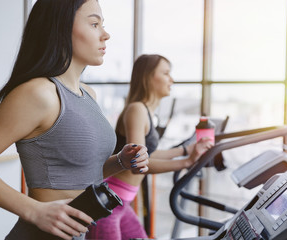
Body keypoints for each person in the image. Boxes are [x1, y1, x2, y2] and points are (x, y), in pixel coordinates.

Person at [0, 0, 149, 240]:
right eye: (94, 24)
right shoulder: (39, 93)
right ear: (61, 27)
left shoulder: (88, 94)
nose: (105, 35)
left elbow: (80, 171)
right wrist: (34, 210)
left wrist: (120, 161)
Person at [86, 54, 214, 240]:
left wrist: (185, 150)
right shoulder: (137, 109)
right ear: (148, 77)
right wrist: (186, 162)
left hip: (121, 204)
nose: (172, 79)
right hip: (108, 205)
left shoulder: (144, 111)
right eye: (166, 73)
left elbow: (149, 153)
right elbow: (139, 164)